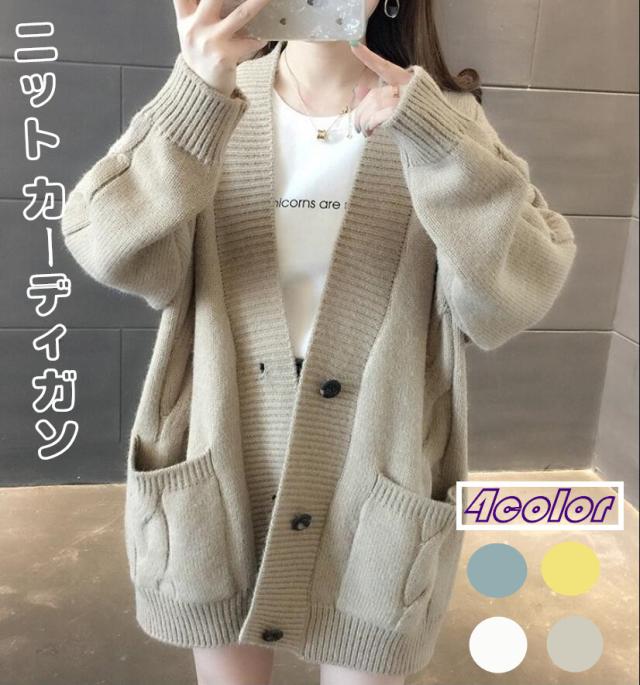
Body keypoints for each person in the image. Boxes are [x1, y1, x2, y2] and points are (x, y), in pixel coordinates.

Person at [59, 0, 577, 683]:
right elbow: (108, 244)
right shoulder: (210, 96)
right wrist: (196, 92)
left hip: (377, 464)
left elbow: (514, 294)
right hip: (224, 448)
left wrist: (436, 145)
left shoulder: (442, 118)